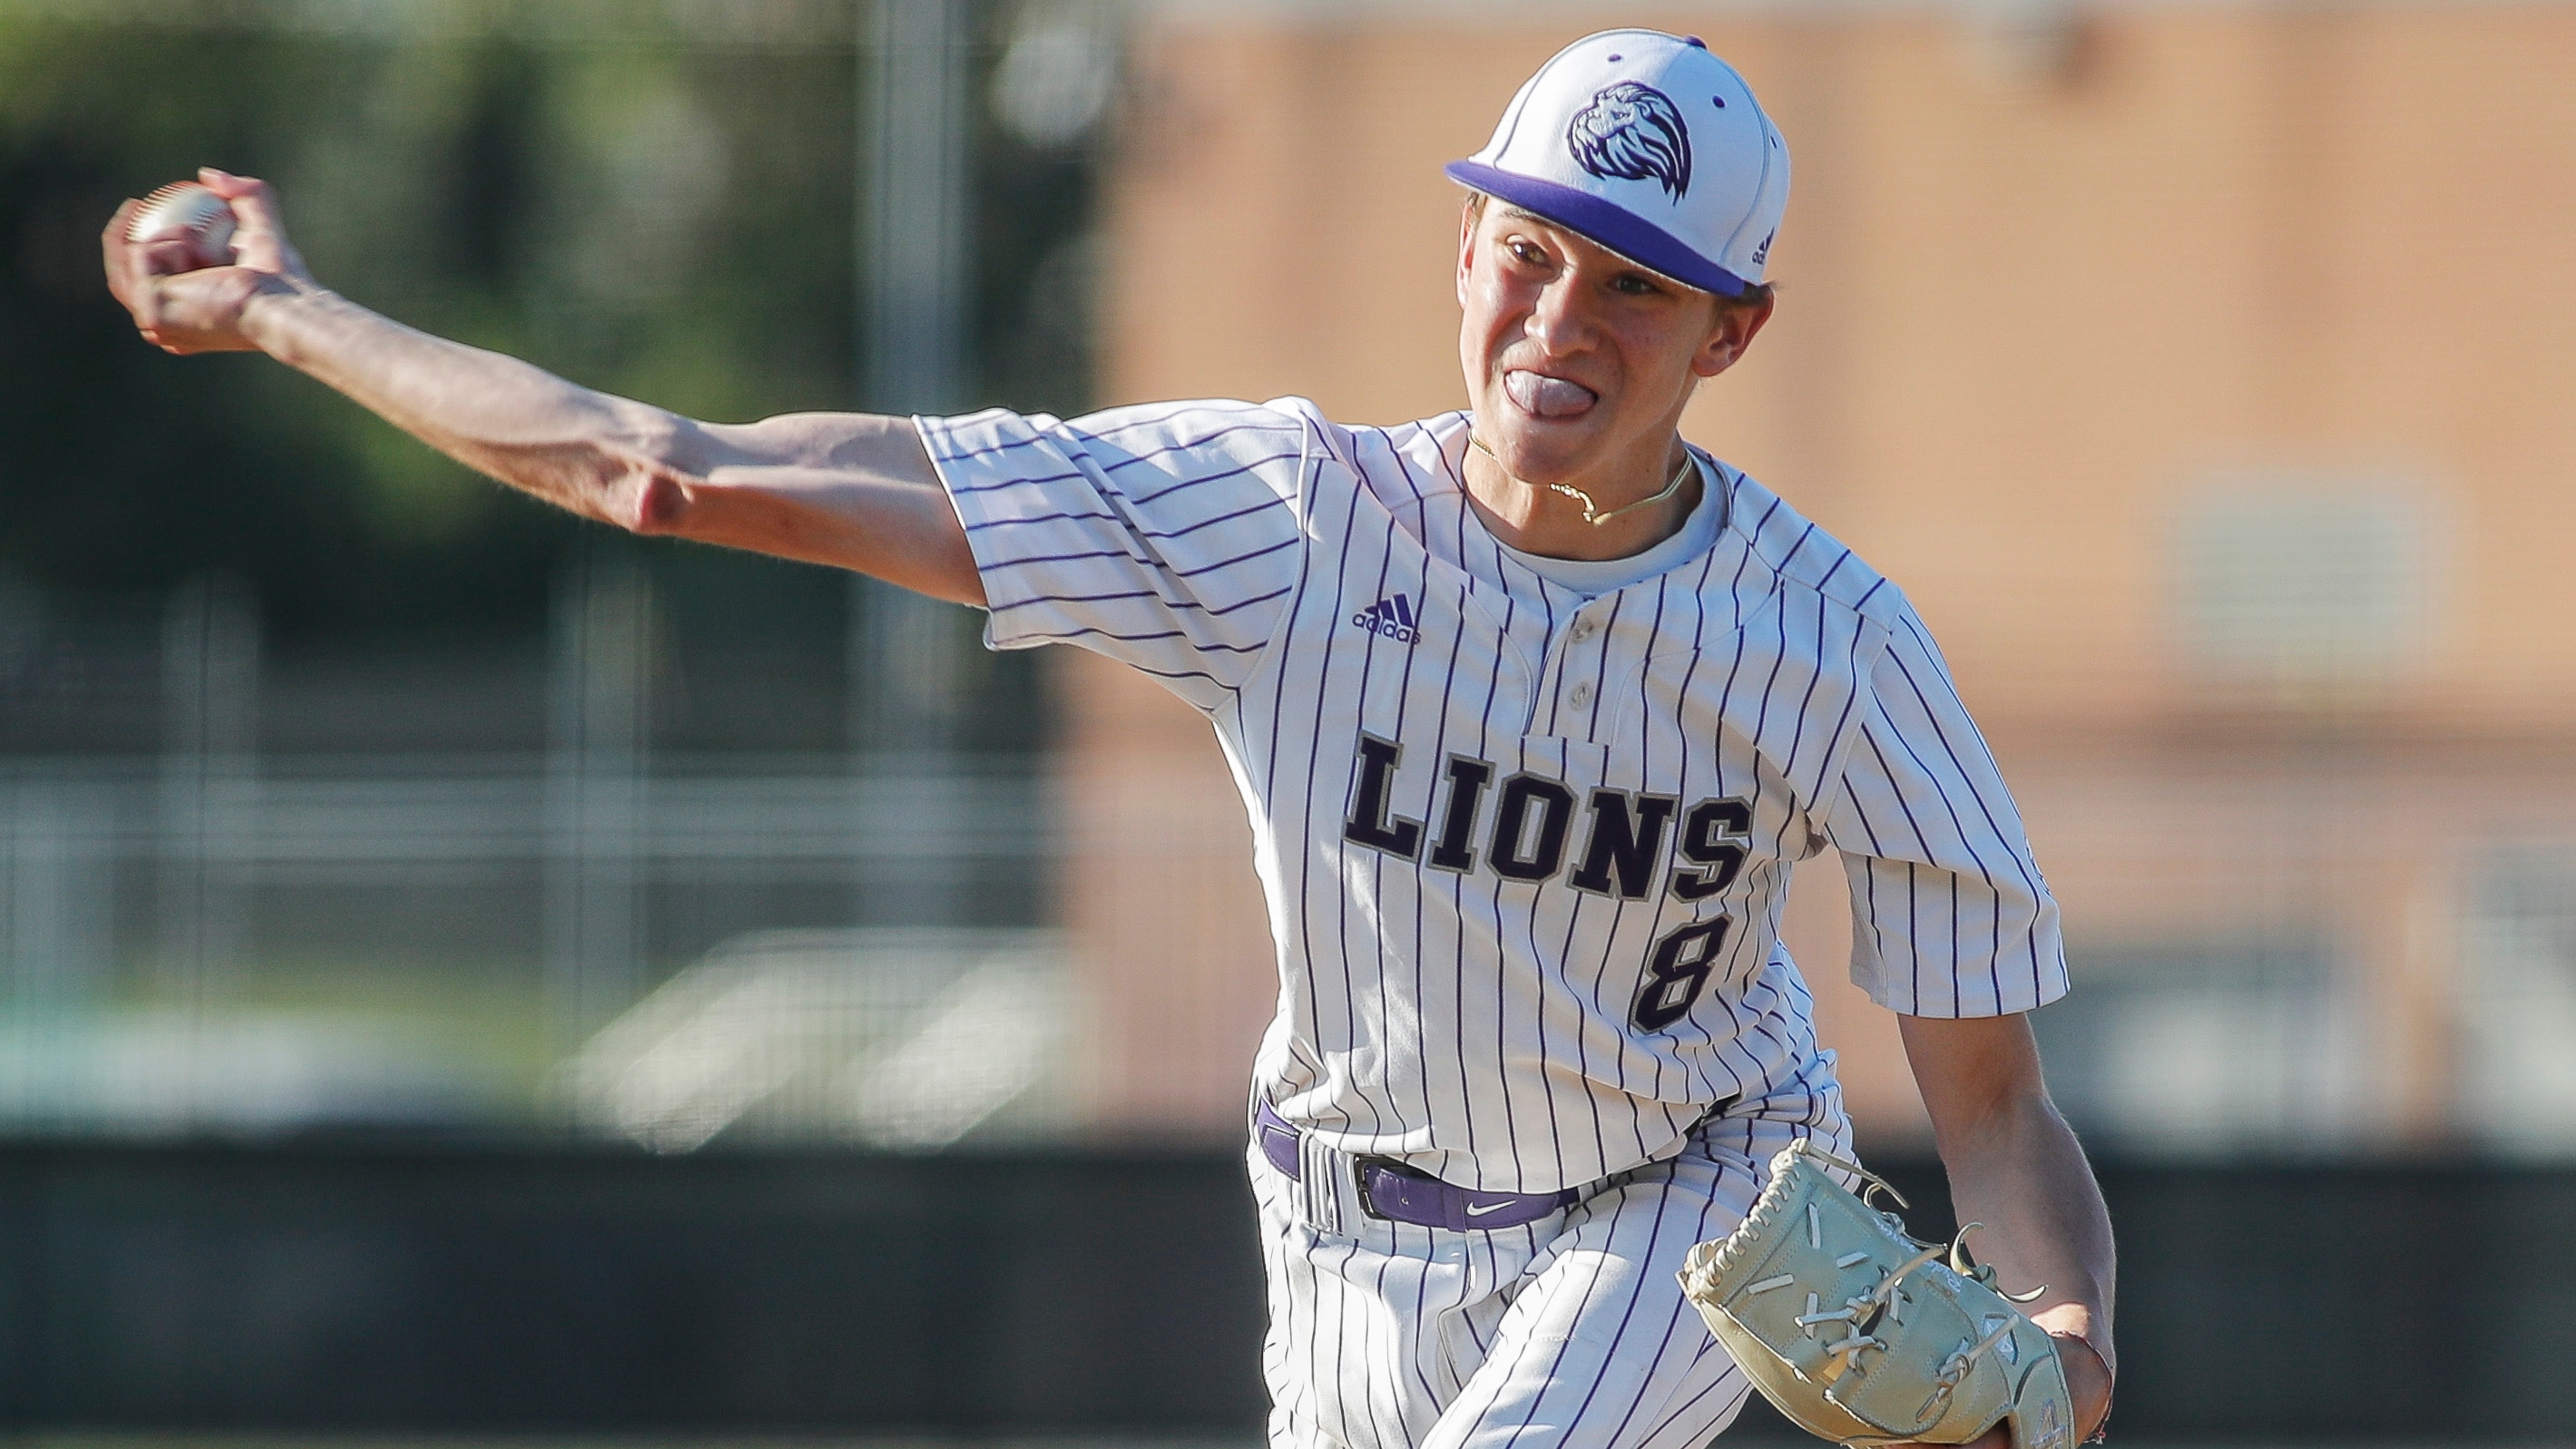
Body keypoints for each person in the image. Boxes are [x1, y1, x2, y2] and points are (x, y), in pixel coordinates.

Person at [105, 27, 2112, 1449]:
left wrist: (2062, 1339)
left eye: (1636, 285)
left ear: (1728, 333)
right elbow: (667, 474)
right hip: (1343, 1219)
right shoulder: (1287, 525)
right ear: (1466, 245)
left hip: (1679, 1206)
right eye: (1529, 248)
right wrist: (287, 311)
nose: (1556, 323)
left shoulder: (1827, 641)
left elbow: (1997, 1111)